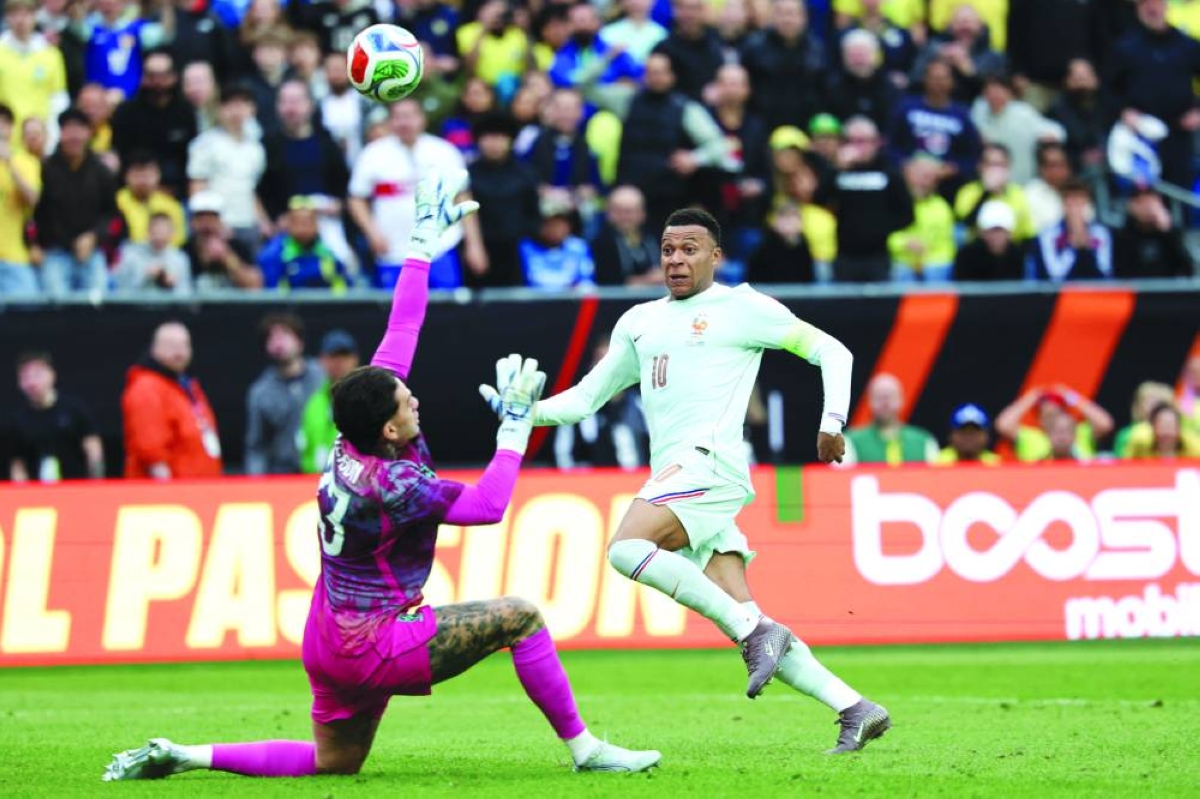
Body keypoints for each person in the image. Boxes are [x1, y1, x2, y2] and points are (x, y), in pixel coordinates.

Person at [104, 171, 660, 781]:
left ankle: (184, 754)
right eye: (406, 402)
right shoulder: (393, 484)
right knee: (520, 616)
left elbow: (403, 330)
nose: (413, 398)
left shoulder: (354, 433)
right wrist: (515, 426)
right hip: (375, 641)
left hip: (327, 635)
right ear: (390, 430)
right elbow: (487, 506)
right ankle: (587, 750)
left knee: (334, 763)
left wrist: (419, 249)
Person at [525, 205, 890, 754]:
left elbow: (831, 350)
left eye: (689, 249)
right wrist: (520, 413)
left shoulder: (741, 307)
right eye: (669, 249)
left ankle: (757, 636)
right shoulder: (640, 322)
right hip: (678, 471)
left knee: (627, 549)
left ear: (715, 256)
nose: (676, 259)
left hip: (710, 465)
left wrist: (832, 422)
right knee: (743, 611)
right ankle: (855, 708)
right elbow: (583, 400)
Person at [817, 115, 914, 283]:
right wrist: (836, 169)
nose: (858, 147)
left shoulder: (889, 173)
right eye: (851, 141)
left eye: (863, 141)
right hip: (844, 255)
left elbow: (907, 215)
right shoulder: (837, 172)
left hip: (878, 256)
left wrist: (879, 228)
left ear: (876, 142)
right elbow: (818, 199)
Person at [122, 320, 223, 479]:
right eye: (171, 346)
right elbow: (151, 450)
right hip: (169, 496)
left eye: (184, 345)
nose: (179, 352)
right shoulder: (146, 388)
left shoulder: (186, 385)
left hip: (198, 489)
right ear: (154, 348)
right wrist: (169, 493)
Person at [34, 108, 118, 297]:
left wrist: (94, 236)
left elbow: (112, 215)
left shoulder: (102, 172)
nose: (74, 136)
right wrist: (34, 244)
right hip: (55, 252)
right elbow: (36, 212)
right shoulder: (45, 169)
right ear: (61, 134)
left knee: (100, 297)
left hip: (91, 252)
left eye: (79, 129)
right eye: (68, 130)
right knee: (54, 298)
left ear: (89, 133)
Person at [245, 312, 325, 476]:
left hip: (325, 472)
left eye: (285, 334)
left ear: (300, 342)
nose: (278, 342)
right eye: (271, 337)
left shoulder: (323, 376)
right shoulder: (260, 392)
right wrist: (255, 484)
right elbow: (256, 445)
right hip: (284, 474)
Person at [9, 350, 104, 482]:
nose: (32, 382)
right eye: (25, 377)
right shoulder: (18, 421)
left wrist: (96, 483)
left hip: (76, 487)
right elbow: (18, 464)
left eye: (37, 375)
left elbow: (93, 450)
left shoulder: (74, 410)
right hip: (37, 493)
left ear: (52, 375)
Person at [995, 385, 1114, 462]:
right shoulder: (1030, 437)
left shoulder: (1079, 432)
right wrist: (1031, 397)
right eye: (1047, 416)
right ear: (1040, 418)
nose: (1052, 420)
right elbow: (1003, 425)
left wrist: (1071, 397)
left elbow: (1105, 424)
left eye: (1056, 413)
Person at [257, 197, 351, 292]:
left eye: (307, 223)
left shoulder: (327, 253)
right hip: (288, 306)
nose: (303, 228)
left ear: (316, 225)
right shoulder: (273, 254)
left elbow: (343, 288)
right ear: (289, 224)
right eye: (298, 223)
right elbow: (272, 292)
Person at [298, 330, 361, 474]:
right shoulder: (314, 402)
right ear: (322, 360)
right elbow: (306, 449)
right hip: (313, 483)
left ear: (355, 359)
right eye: (333, 356)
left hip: (355, 486)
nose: (339, 361)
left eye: (344, 355)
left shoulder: (367, 400)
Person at [843, 372, 938, 465]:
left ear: (901, 399)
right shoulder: (851, 441)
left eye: (890, 396)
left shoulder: (924, 441)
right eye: (879, 397)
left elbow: (937, 478)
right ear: (869, 401)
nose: (885, 403)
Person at [888, 154, 955, 282]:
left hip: (932, 266)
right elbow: (880, 236)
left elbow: (945, 248)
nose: (923, 181)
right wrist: (904, 243)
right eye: (919, 174)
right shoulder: (892, 202)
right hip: (899, 263)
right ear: (906, 173)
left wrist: (925, 264)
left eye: (929, 176)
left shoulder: (941, 207)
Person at [1030, 179, 1113, 282]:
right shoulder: (1048, 235)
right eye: (1070, 201)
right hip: (1061, 295)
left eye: (1080, 201)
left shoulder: (1100, 234)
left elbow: (1105, 274)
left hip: (1095, 293)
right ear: (1062, 204)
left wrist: (1088, 248)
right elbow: (1055, 276)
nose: (1075, 207)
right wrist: (1071, 248)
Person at [0, 103, 41, 297]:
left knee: (27, 316)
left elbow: (34, 200)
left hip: (14, 256)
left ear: (11, 129)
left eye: (4, 123)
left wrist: (10, 166)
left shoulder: (26, 161)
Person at [589, 185, 662, 286]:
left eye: (629, 211)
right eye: (618, 211)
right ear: (608, 213)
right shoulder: (599, 244)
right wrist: (647, 280)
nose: (624, 217)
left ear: (642, 213)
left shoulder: (655, 239)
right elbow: (605, 282)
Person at [1114, 187, 1193, 279]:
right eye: (1142, 203)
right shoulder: (1123, 236)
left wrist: (1168, 232)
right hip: (1136, 290)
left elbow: (1186, 269)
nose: (1148, 209)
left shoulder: (1172, 234)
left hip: (1167, 290)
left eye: (1151, 203)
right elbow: (1121, 272)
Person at [114, 212, 192, 294]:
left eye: (163, 232)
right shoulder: (130, 254)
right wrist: (146, 278)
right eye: (156, 232)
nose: (159, 237)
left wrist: (172, 285)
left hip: (169, 305)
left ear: (172, 233)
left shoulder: (180, 259)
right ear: (148, 232)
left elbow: (185, 294)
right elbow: (120, 289)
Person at [952, 199, 1025, 281]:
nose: (996, 236)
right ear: (982, 232)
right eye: (992, 230)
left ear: (1009, 233)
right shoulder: (966, 256)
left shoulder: (1017, 255)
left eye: (1000, 230)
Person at [1113, 380, 1176, 457]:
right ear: (1138, 405)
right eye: (1148, 401)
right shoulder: (1127, 434)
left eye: (1159, 402)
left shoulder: (1183, 435)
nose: (1153, 406)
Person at [1124, 402, 1200, 459]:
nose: (1167, 431)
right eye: (1163, 425)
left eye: (1170, 426)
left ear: (1178, 428)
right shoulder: (1139, 445)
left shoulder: (1194, 448)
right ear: (1153, 427)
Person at [935, 402, 999, 465]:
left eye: (974, 432)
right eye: (963, 431)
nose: (968, 437)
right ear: (951, 435)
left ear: (987, 435)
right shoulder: (938, 463)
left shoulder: (996, 464)